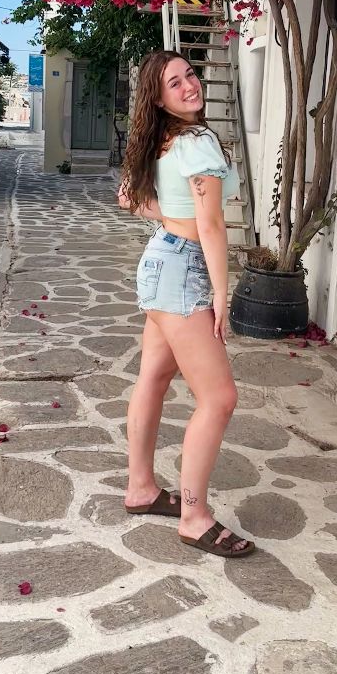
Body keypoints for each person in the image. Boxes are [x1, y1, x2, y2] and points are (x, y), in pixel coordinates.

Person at [117, 49, 256, 558]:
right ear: (158, 97)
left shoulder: (161, 140)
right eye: (174, 83)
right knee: (219, 399)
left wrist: (170, 221)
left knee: (153, 377)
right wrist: (221, 295)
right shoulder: (196, 141)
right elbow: (212, 226)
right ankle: (195, 517)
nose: (189, 86)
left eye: (190, 75)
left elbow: (131, 198)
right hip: (185, 270)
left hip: (161, 260)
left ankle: (141, 489)